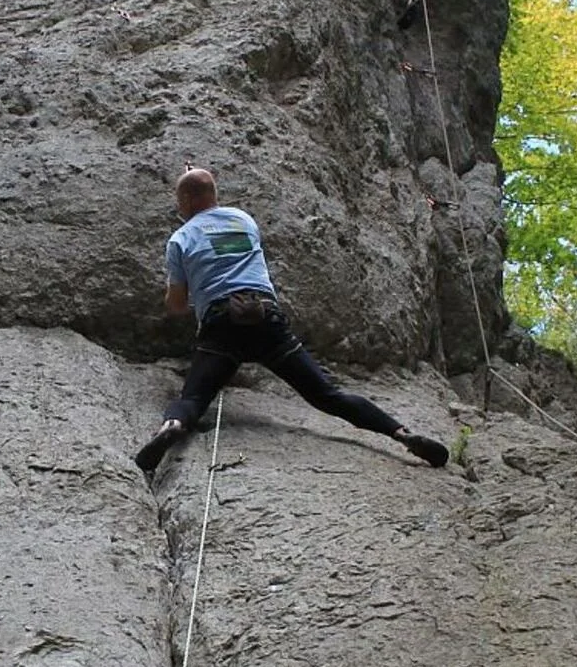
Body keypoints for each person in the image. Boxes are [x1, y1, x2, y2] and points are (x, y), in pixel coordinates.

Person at [134, 169, 450, 474]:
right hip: (265, 318)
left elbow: (175, 305)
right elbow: (232, 254)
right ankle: (400, 433)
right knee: (328, 395)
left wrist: (191, 291)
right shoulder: (243, 221)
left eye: (180, 199)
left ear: (187, 199)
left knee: (191, 399)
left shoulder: (181, 238)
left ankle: (173, 426)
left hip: (221, 325)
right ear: (213, 194)